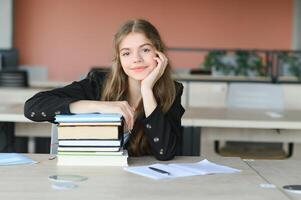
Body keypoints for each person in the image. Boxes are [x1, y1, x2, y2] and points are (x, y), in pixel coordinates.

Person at [24, 19, 185, 161]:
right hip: (95, 179)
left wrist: (147, 90)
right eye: (126, 53)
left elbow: (166, 152)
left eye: (145, 50)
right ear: (119, 59)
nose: (136, 59)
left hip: (142, 186)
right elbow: (32, 107)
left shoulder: (173, 91)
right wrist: (100, 106)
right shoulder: (98, 83)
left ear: (159, 53)